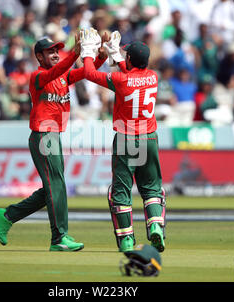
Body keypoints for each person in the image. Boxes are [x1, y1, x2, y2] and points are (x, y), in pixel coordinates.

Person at [0, 31, 107, 252]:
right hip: (43, 135)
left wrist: (99, 56)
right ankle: (59, 238)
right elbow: (58, 70)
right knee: (57, 185)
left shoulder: (64, 76)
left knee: (52, 188)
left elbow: (84, 73)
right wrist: (74, 54)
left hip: (54, 135)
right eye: (50, 51)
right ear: (39, 57)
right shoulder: (37, 77)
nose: (55, 54)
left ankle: (7, 216)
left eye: (57, 50)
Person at [81, 30, 166, 253]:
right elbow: (132, 75)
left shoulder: (120, 80)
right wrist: (116, 55)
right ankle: (155, 225)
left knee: (120, 190)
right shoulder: (153, 77)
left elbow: (89, 73)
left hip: (126, 140)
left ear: (129, 59)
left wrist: (88, 51)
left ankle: (127, 239)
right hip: (149, 138)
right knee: (151, 188)